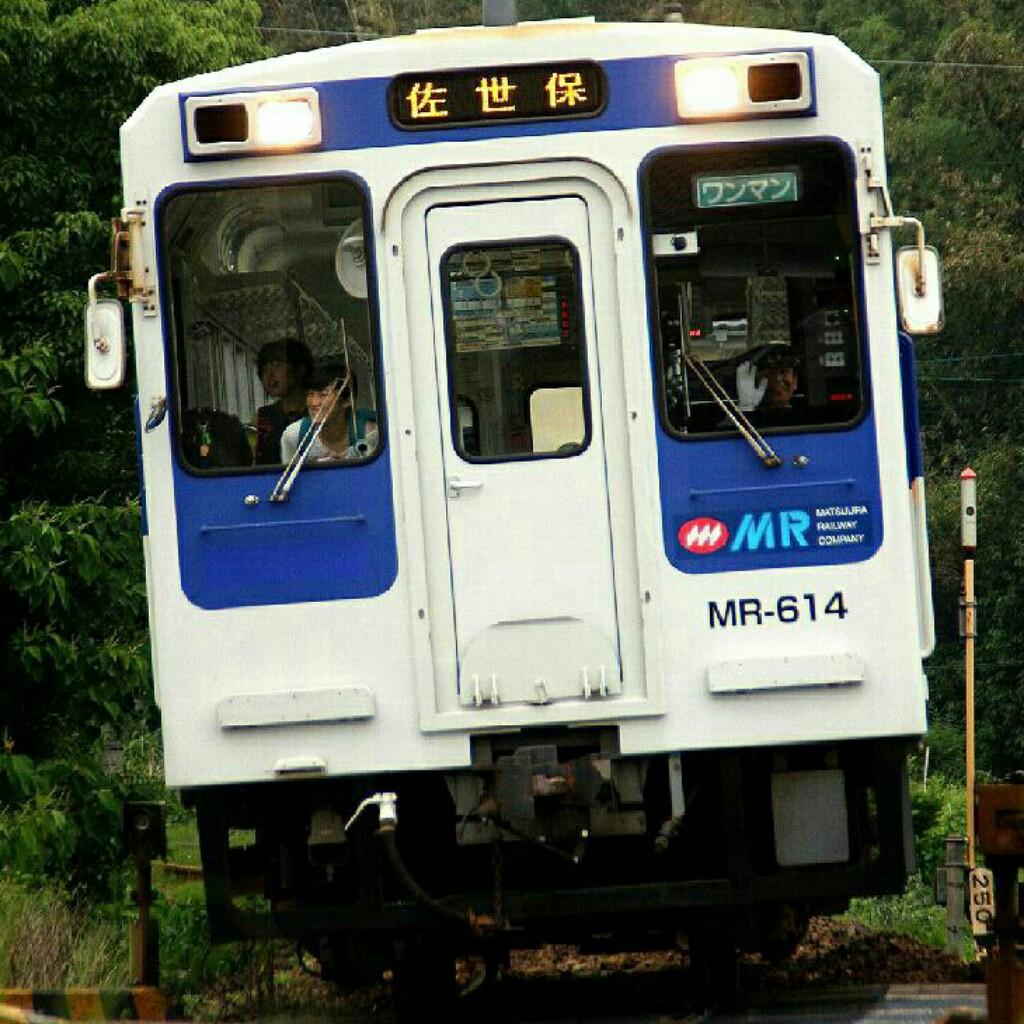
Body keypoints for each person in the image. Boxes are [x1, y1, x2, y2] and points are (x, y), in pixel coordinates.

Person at [279, 362, 378, 465]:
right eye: (310, 394)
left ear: (347, 400)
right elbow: (290, 473)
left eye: (323, 395)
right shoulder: (294, 436)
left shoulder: (369, 434)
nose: (314, 403)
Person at [253, 338, 314, 465]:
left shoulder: (317, 410)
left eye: (277, 365)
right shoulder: (262, 417)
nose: (269, 374)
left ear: (300, 369)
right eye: (264, 368)